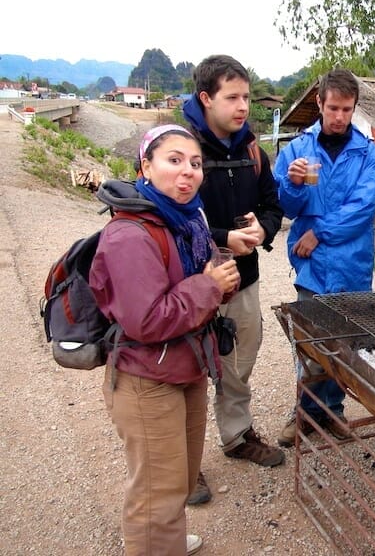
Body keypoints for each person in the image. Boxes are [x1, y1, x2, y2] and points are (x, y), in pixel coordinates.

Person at [89, 125, 240, 555]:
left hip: (185, 366)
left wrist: (218, 283)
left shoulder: (187, 221)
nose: (187, 172)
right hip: (145, 377)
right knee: (157, 488)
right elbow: (146, 320)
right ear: (145, 167)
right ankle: (155, 542)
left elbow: (194, 288)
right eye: (173, 160)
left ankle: (164, 539)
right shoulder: (129, 235)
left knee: (180, 476)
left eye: (195, 164)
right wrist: (210, 287)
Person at [182, 55, 285, 504]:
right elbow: (168, 218)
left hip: (243, 280)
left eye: (246, 96)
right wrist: (225, 236)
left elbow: (273, 205)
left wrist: (263, 229)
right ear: (206, 98)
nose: (243, 106)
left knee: (242, 353)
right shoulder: (180, 150)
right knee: (183, 370)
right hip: (189, 285)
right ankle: (183, 468)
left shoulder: (252, 153)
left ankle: (236, 434)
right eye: (233, 97)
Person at [273, 69, 375, 447]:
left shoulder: (368, 153)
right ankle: (303, 411)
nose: (339, 116)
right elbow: (286, 206)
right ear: (319, 103)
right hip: (312, 266)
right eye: (332, 108)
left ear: (355, 109)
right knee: (308, 343)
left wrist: (319, 232)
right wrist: (294, 182)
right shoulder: (296, 151)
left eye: (346, 109)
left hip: (351, 263)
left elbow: (362, 208)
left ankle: (333, 411)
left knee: (343, 343)